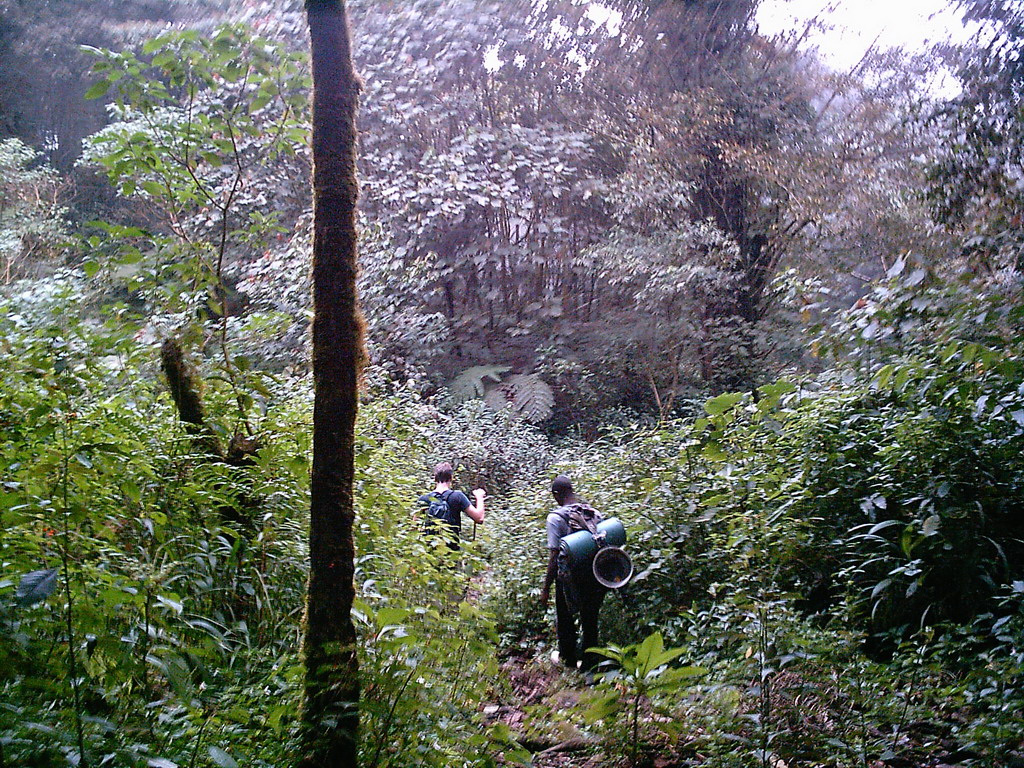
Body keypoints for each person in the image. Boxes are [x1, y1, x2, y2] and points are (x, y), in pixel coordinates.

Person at [540, 475, 607, 673]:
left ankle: (568, 658)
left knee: (565, 616)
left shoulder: (555, 518)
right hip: (594, 573)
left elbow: (554, 555)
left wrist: (546, 587)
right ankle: (590, 662)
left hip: (568, 576)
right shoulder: (592, 512)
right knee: (590, 617)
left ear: (556, 495)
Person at [418, 461, 485, 550]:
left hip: (430, 550)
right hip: (452, 550)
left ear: (435, 478)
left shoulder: (424, 499)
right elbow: (479, 518)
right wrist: (479, 497)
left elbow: (415, 527)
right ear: (451, 478)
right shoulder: (457, 496)